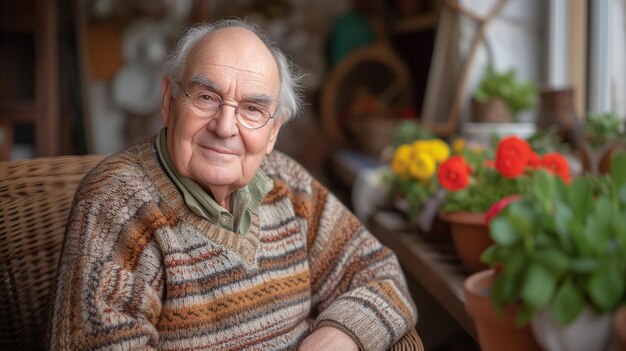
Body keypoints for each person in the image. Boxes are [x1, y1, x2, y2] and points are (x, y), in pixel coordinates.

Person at [49, 18, 418, 351]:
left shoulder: (289, 184)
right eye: (207, 98)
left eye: (252, 109)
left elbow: (381, 273)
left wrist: (342, 333)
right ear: (168, 100)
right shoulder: (117, 204)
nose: (225, 127)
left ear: (273, 132)